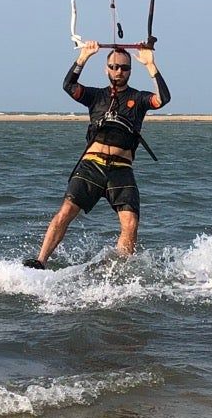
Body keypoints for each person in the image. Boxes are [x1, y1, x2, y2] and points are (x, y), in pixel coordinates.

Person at [24, 42, 170, 267]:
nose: (118, 71)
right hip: (92, 165)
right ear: (107, 69)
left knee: (130, 223)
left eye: (124, 67)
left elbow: (163, 99)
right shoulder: (95, 96)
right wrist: (83, 57)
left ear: (130, 70)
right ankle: (40, 261)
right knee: (65, 212)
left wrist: (151, 65)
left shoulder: (138, 99)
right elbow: (68, 85)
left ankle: (121, 270)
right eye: (113, 66)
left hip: (121, 170)